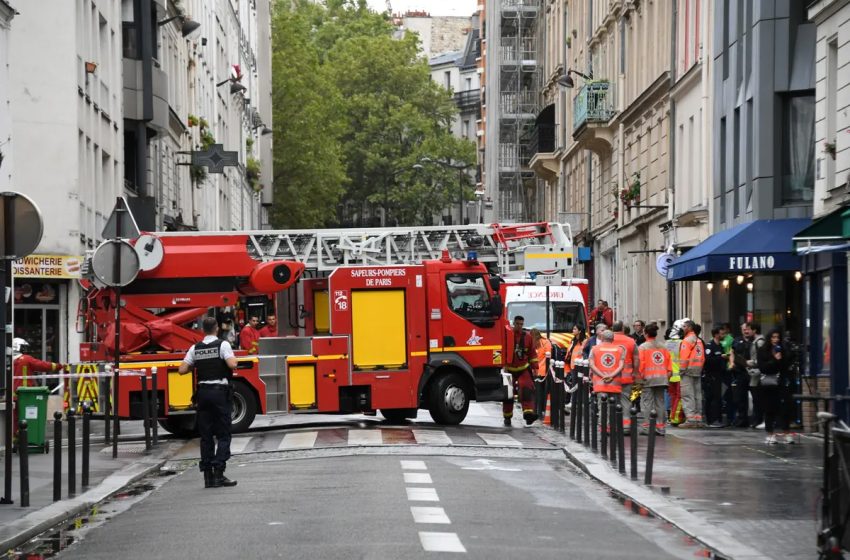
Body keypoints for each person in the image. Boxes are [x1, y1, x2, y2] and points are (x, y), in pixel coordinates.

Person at [178, 317, 239, 488]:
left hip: (202, 394)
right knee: (223, 434)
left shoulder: (195, 348)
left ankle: (208, 477)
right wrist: (235, 361)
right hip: (219, 394)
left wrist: (196, 365)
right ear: (217, 329)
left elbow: (182, 369)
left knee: (206, 436)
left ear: (203, 330)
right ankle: (219, 473)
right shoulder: (223, 345)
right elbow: (232, 364)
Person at [11, 338, 65, 436]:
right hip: (25, 395)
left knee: (15, 420)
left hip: (12, 396)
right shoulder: (26, 359)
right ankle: (28, 438)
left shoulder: (7, 360)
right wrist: (59, 366)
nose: (25, 350)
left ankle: (16, 440)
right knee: (28, 418)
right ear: (18, 347)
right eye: (23, 347)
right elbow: (42, 365)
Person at [757, 328, 791, 444]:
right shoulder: (762, 350)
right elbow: (762, 367)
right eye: (773, 337)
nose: (775, 340)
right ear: (769, 338)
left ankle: (786, 433)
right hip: (768, 383)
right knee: (769, 408)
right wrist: (774, 360)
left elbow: (786, 366)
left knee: (784, 408)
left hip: (780, 382)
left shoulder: (782, 349)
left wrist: (782, 358)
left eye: (777, 337)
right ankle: (770, 434)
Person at [503, 315, 538, 427]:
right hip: (509, 369)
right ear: (514, 323)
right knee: (508, 393)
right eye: (517, 324)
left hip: (523, 368)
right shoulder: (508, 335)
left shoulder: (528, 337)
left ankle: (528, 415)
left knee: (527, 388)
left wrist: (535, 367)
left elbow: (532, 353)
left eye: (521, 324)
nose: (519, 326)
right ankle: (507, 416)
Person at [637, 323, 670, 436]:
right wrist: (668, 376)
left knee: (647, 403)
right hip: (662, 378)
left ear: (646, 334)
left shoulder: (643, 347)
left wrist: (638, 379)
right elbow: (668, 364)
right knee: (660, 403)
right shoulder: (663, 346)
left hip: (648, 379)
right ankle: (661, 427)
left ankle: (647, 426)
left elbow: (640, 365)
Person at [611, 321, 639, 434]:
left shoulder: (608, 340)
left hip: (611, 376)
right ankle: (626, 425)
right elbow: (636, 359)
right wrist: (635, 373)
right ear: (623, 328)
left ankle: (612, 425)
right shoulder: (631, 341)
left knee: (612, 401)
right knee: (626, 401)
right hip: (627, 376)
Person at [677, 320, 705, 428]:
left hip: (687, 371)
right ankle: (698, 418)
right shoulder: (698, 340)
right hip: (697, 370)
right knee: (697, 395)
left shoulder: (686, 340)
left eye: (684, 326)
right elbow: (702, 357)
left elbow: (684, 358)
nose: (682, 328)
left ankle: (690, 419)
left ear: (689, 328)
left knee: (687, 395)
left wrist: (682, 370)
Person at [589, 330, 625, 409]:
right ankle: (612, 421)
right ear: (612, 339)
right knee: (615, 409)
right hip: (615, 384)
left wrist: (603, 376)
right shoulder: (620, 350)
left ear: (602, 338)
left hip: (600, 383)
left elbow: (591, 365)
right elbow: (621, 366)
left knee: (602, 407)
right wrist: (611, 376)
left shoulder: (594, 349)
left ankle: (603, 421)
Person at [730, 323, 753, 427]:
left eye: (748, 329)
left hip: (753, 372)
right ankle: (742, 419)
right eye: (744, 329)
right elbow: (732, 352)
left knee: (756, 397)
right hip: (740, 372)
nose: (746, 331)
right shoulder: (737, 340)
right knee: (740, 398)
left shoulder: (755, 341)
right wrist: (732, 363)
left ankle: (756, 419)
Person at [703, 327, 727, 428]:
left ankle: (718, 419)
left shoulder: (720, 346)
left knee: (718, 398)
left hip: (719, 375)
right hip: (711, 376)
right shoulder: (710, 346)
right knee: (712, 397)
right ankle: (712, 420)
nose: (723, 335)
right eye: (721, 333)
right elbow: (708, 360)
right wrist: (720, 357)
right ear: (716, 334)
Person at [745, 322, 766, 428]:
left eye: (750, 329)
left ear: (755, 331)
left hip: (758, 374)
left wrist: (751, 362)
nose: (748, 331)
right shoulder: (756, 342)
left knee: (758, 398)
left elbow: (761, 358)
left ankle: (759, 419)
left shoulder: (760, 342)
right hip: (754, 373)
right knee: (755, 398)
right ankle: (757, 419)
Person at [665, 321, 685, 426]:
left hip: (669, 375)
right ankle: (675, 418)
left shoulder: (666, 343)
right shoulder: (682, 343)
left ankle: (672, 416)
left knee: (672, 397)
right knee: (679, 397)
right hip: (679, 375)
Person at [531, 328, 552, 419]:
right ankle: (539, 410)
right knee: (541, 392)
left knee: (537, 392)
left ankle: (537, 410)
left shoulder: (538, 343)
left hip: (538, 371)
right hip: (541, 370)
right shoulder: (545, 342)